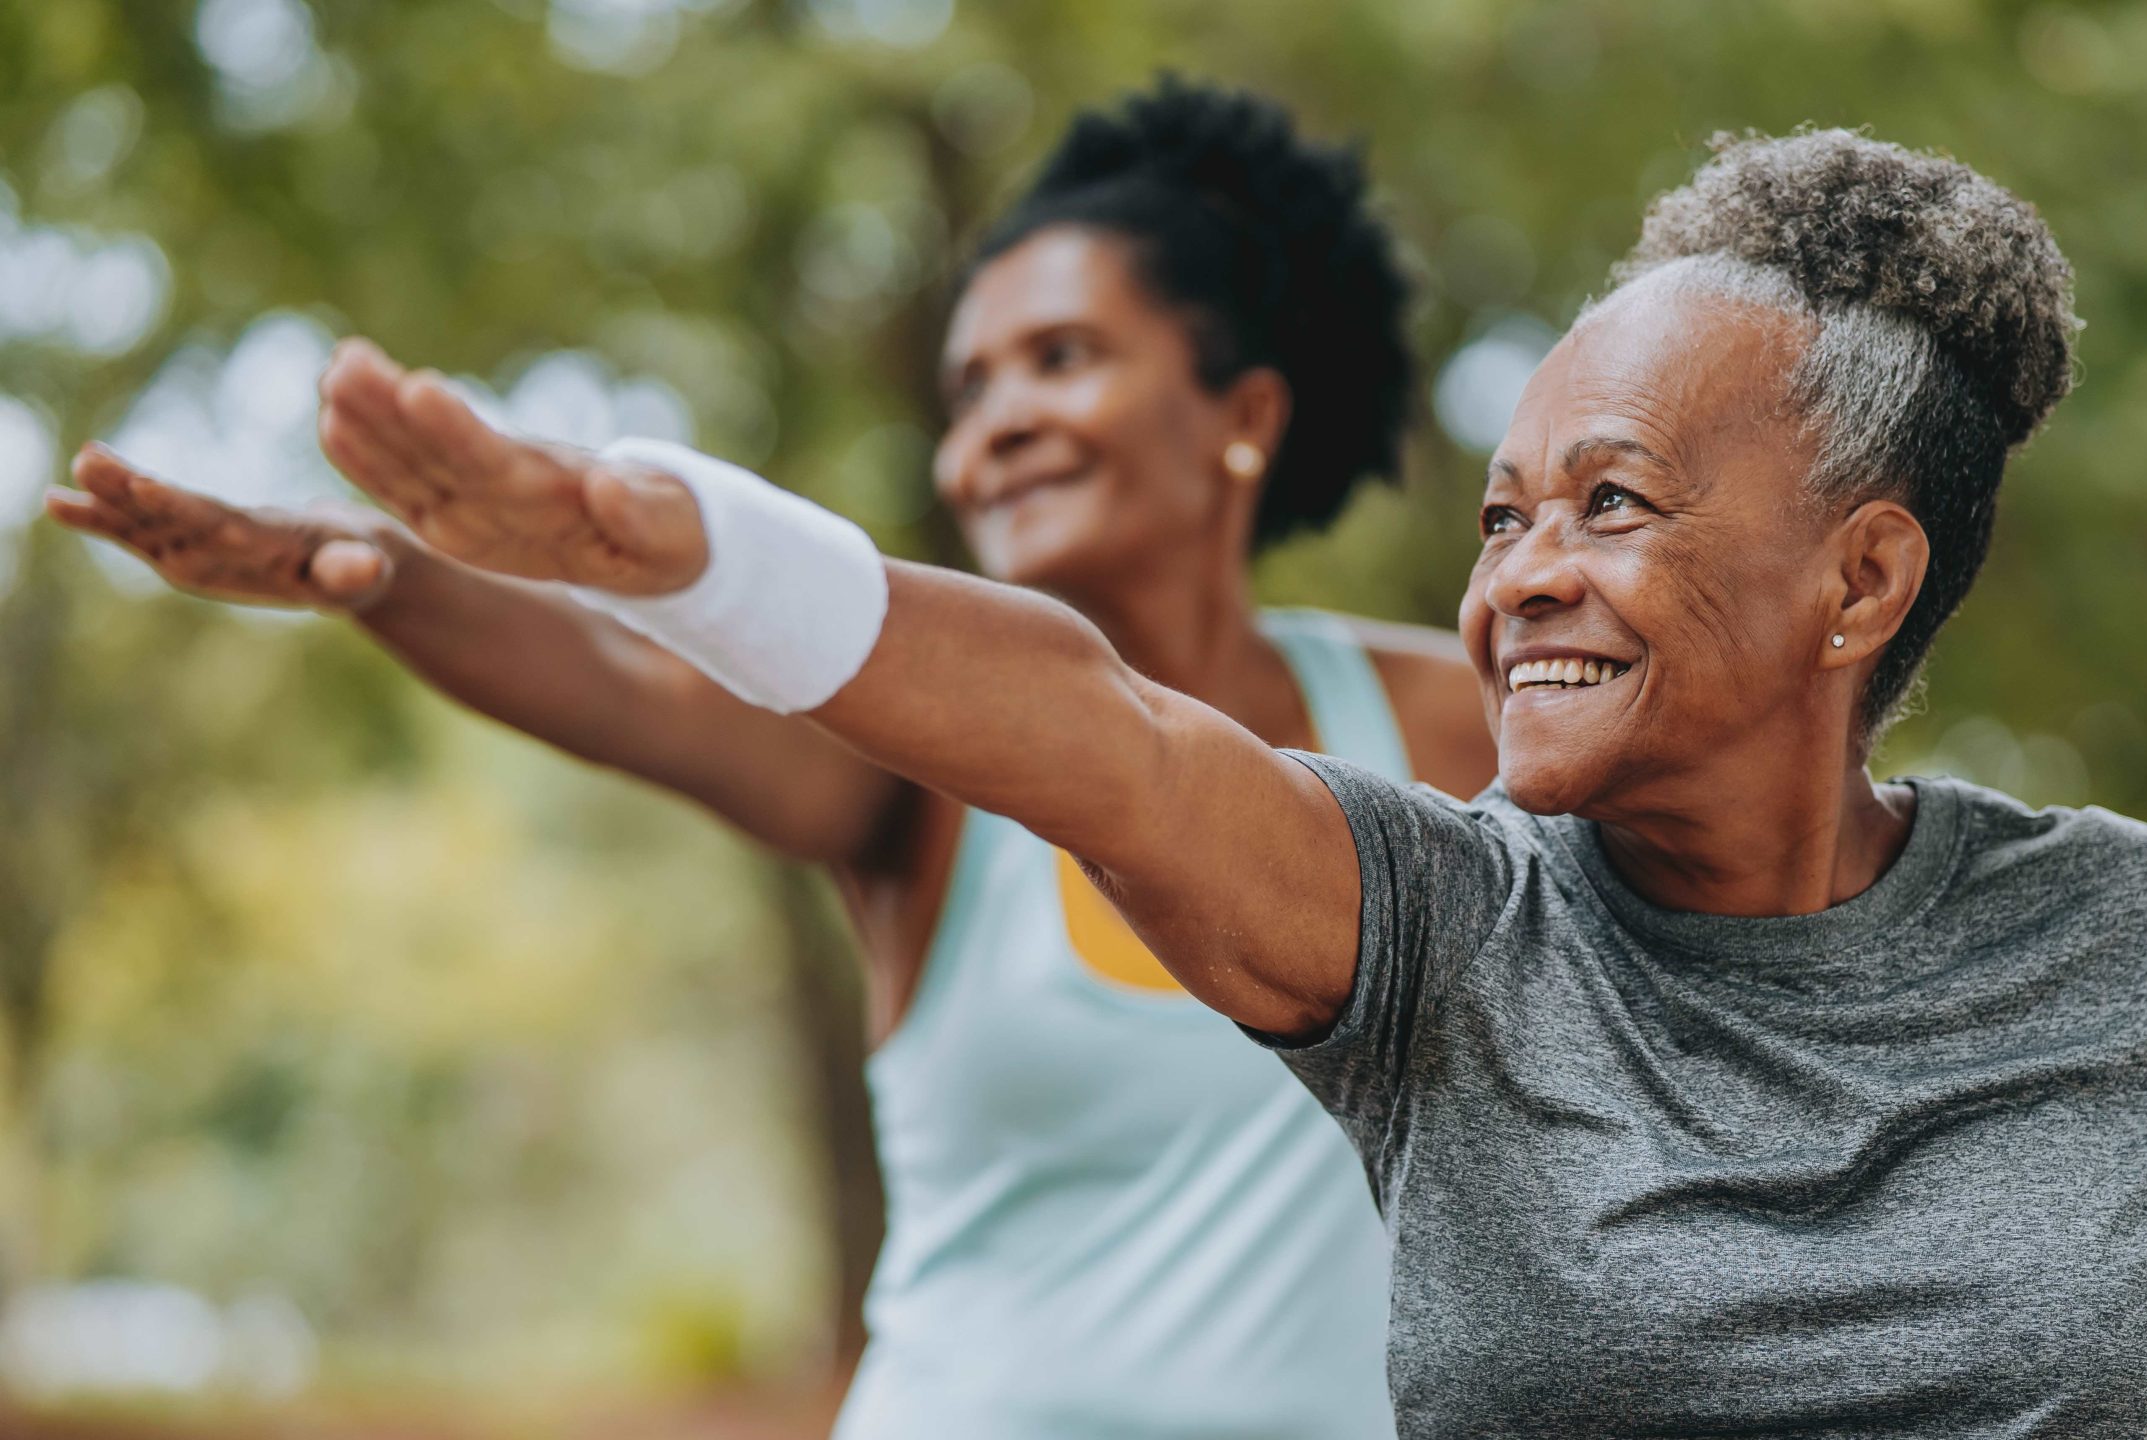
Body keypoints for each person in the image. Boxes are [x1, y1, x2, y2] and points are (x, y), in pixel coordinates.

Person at [73, 127, 2147, 1436]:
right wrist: (679, 548)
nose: (1521, 580)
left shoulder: (2145, 943)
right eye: (1498, 517)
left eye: (1609, 505)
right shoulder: (1435, 932)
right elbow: (1092, 727)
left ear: (1859, 578)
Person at [49, 80, 1491, 1438]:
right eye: (968, 389)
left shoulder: (1439, 724)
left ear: (1245, 415)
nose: (995, 428)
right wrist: (389, 576)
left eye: (1061, 358)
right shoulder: (922, 777)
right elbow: (635, 683)